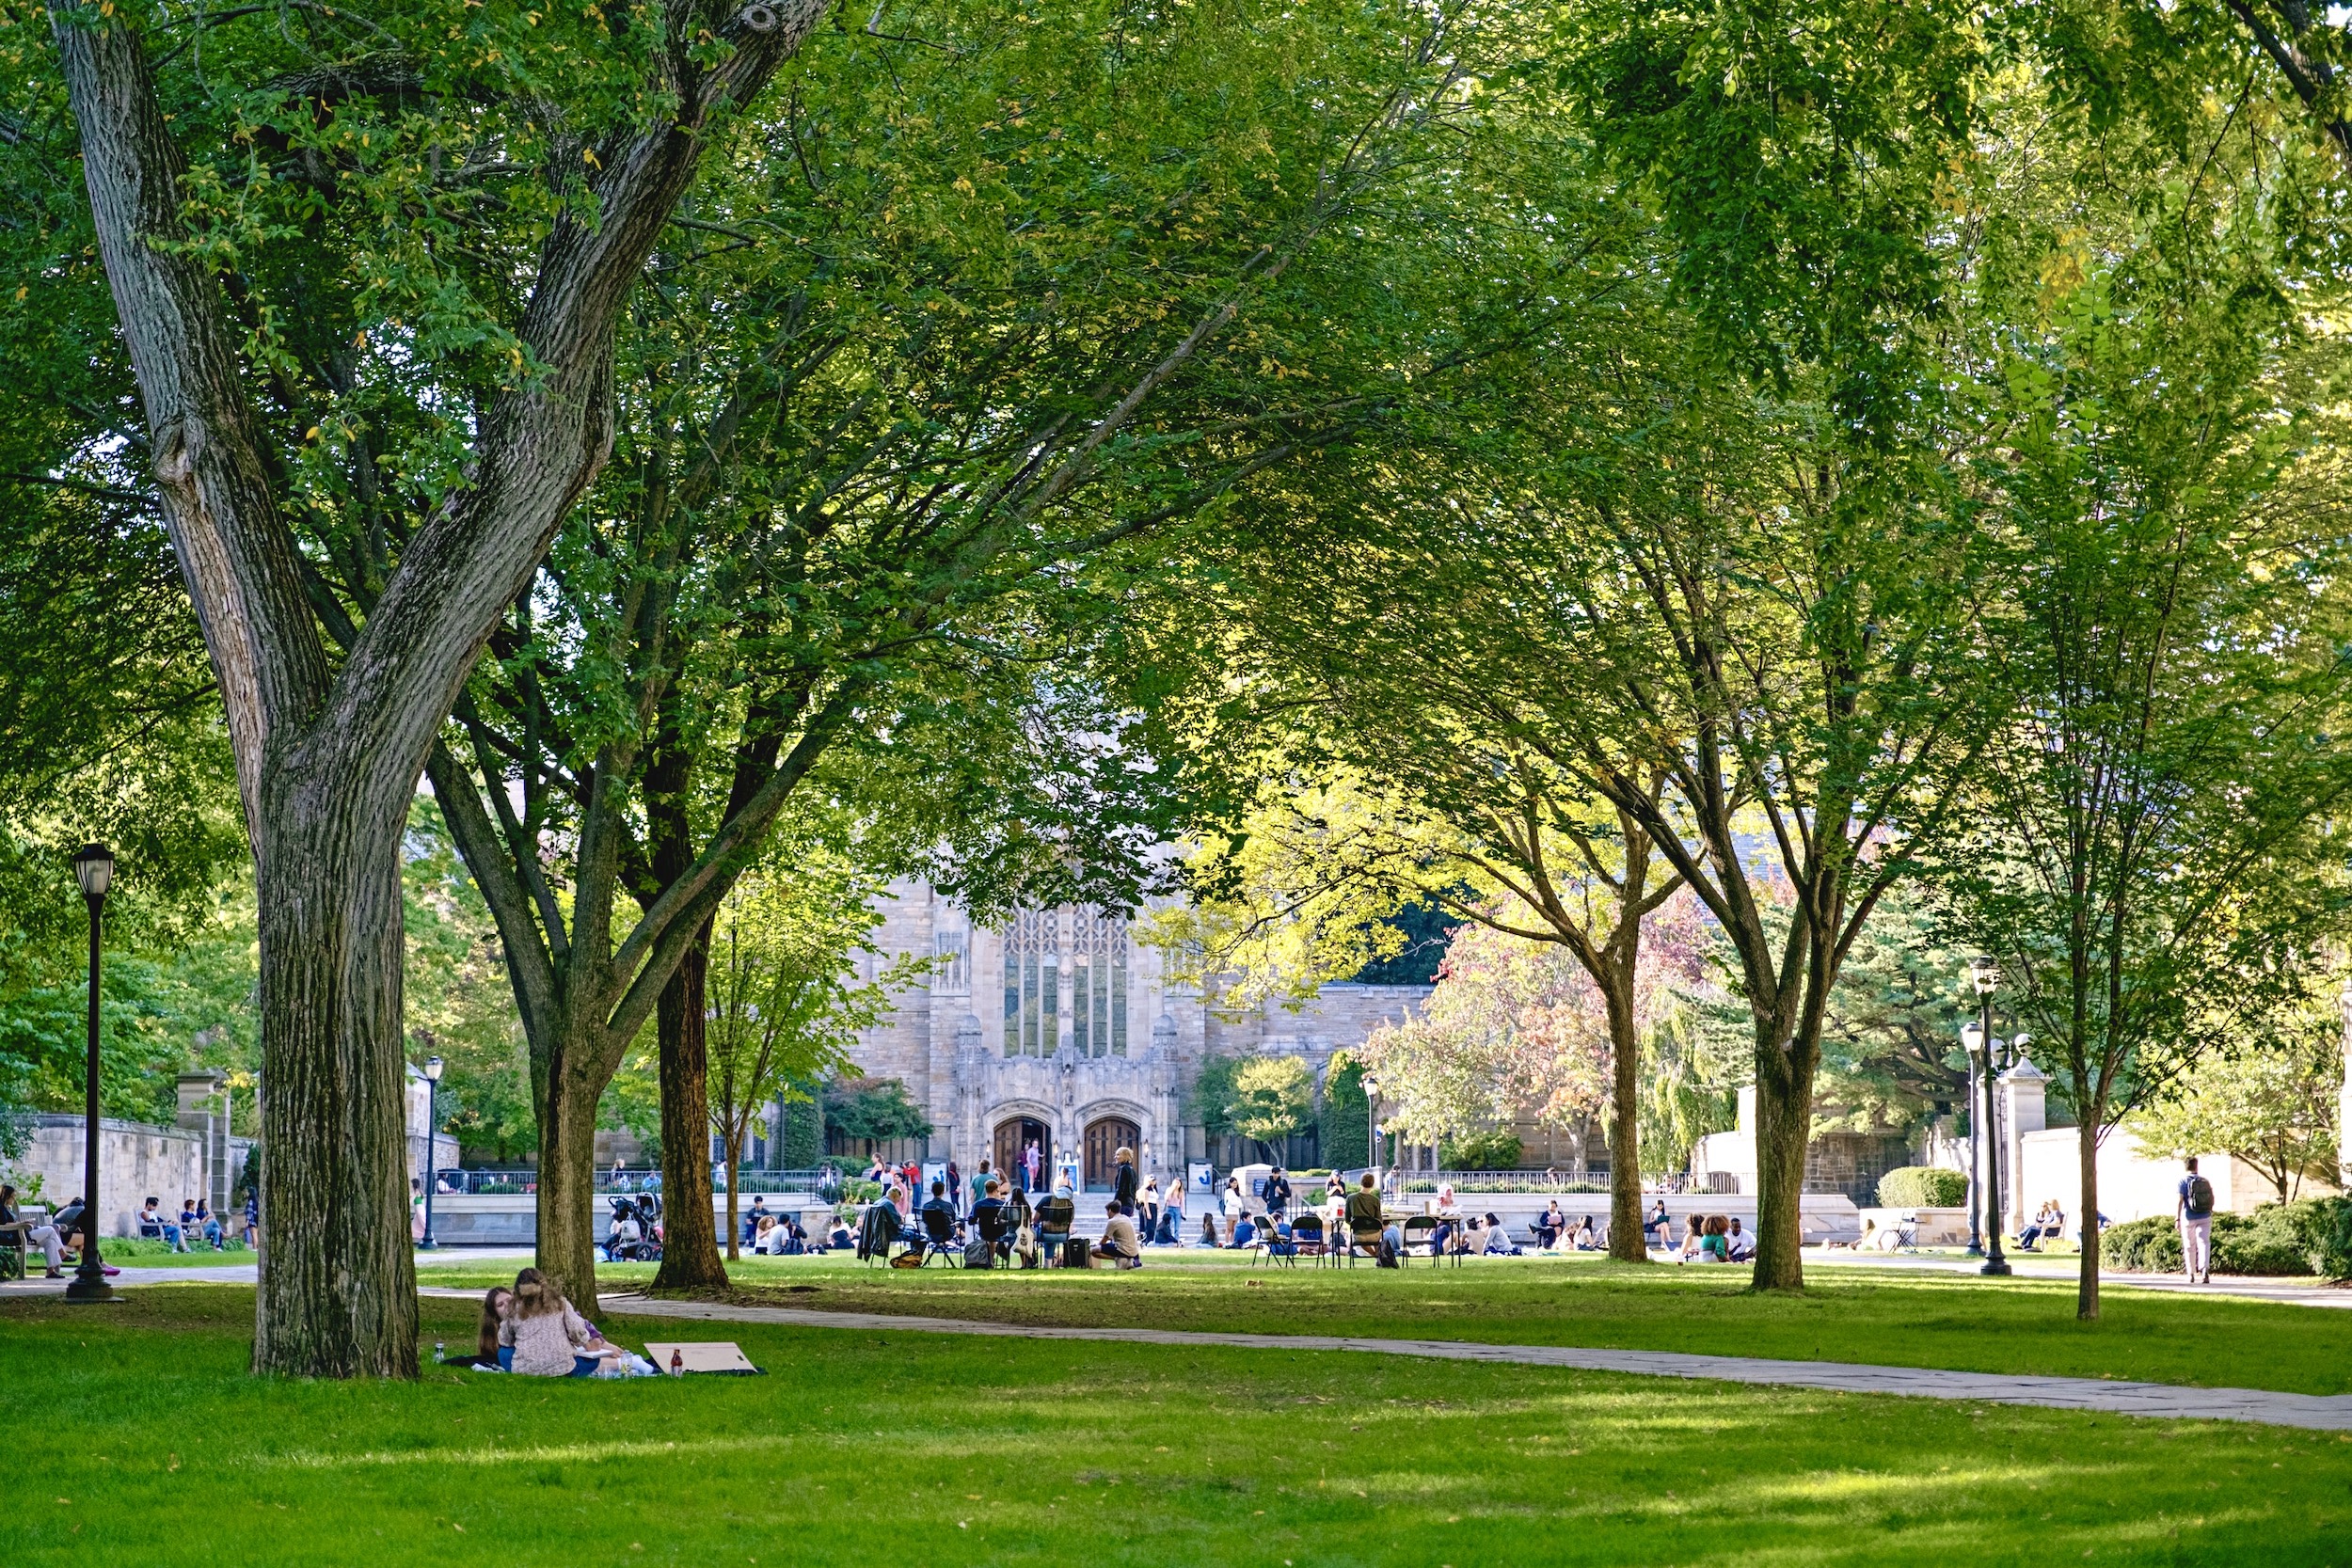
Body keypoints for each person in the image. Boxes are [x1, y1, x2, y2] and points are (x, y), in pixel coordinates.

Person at [502, 1267, 618, 1377]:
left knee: (503, 1352)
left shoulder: (512, 1309)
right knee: (591, 1360)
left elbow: (505, 1339)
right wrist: (587, 1343)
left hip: (526, 1369)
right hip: (564, 1368)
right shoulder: (560, 1303)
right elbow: (576, 1330)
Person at [0, 1184, 66, 1277]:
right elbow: (4, 1225)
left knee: (49, 1241)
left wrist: (23, 1222)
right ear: (7, 1196)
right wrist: (22, 1223)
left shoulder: (7, 1208)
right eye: (13, 1196)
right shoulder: (1, 1209)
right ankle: (62, 1253)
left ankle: (50, 1272)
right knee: (50, 1229)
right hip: (17, 1236)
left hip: (23, 1232)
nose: (14, 1199)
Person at [450, 1286, 513, 1370]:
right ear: (495, 1313)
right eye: (500, 1305)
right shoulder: (496, 1333)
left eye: (510, 1301)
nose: (507, 1306)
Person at [2177, 1156, 2216, 1285]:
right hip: (2205, 1216)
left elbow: (2180, 1201)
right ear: (2196, 1166)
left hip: (2189, 1217)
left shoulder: (2183, 1182)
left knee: (2189, 1245)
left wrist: (2177, 1218)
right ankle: (2204, 1270)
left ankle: (2191, 1273)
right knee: (2204, 1243)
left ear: (2185, 1167)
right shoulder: (2205, 1181)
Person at [1344, 1171, 1388, 1258]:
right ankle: (1378, 1256)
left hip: (1359, 1234)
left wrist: (1356, 1224)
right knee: (1377, 1234)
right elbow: (1379, 1220)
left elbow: (1347, 1219)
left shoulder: (1351, 1198)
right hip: (1374, 1235)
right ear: (1372, 1184)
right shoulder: (1375, 1200)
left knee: (1362, 1238)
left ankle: (1375, 1255)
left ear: (1361, 1182)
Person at [1095, 1199, 1141, 1267]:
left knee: (1094, 1251)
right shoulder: (1126, 1218)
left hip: (1123, 1249)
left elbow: (1104, 1241)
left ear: (1110, 1210)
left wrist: (1097, 1245)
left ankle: (1117, 1258)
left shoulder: (1112, 1221)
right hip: (1134, 1251)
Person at [1112, 1147, 1139, 1218]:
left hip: (1123, 1203)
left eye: (1118, 1155)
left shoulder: (1123, 1168)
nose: (1116, 1157)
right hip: (1129, 1204)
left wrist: (1114, 1203)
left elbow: (1120, 1188)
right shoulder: (1132, 1169)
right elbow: (1134, 1189)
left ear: (1125, 1156)